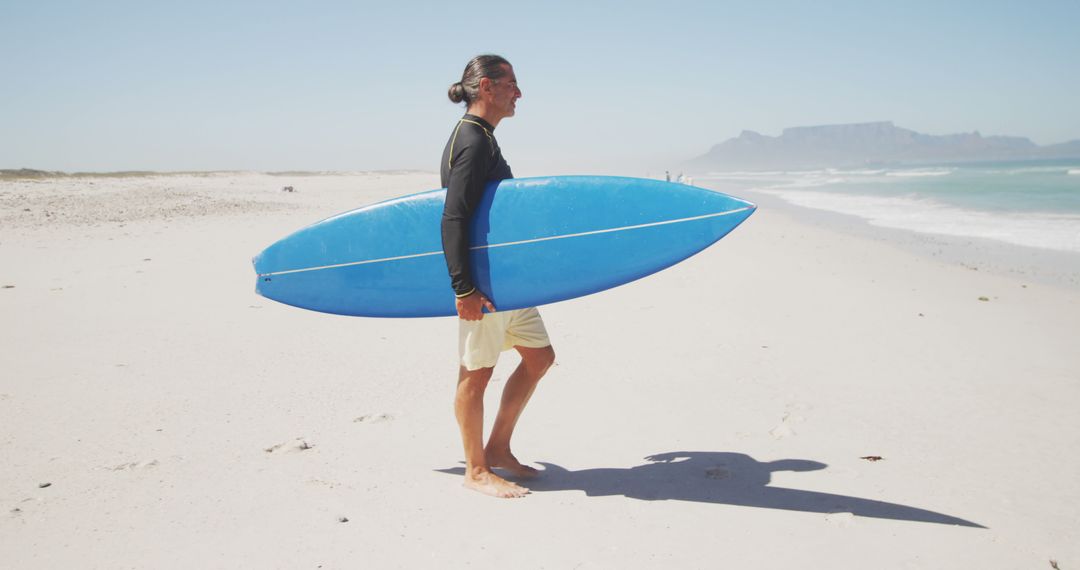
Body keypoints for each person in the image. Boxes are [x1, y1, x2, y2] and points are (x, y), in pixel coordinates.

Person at [441, 55, 556, 499]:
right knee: (476, 373)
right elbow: (453, 217)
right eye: (512, 84)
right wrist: (464, 288)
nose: (518, 93)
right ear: (487, 87)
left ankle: (499, 449)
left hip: (509, 283)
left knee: (539, 358)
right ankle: (476, 469)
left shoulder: (483, 137)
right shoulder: (472, 139)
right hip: (483, 286)